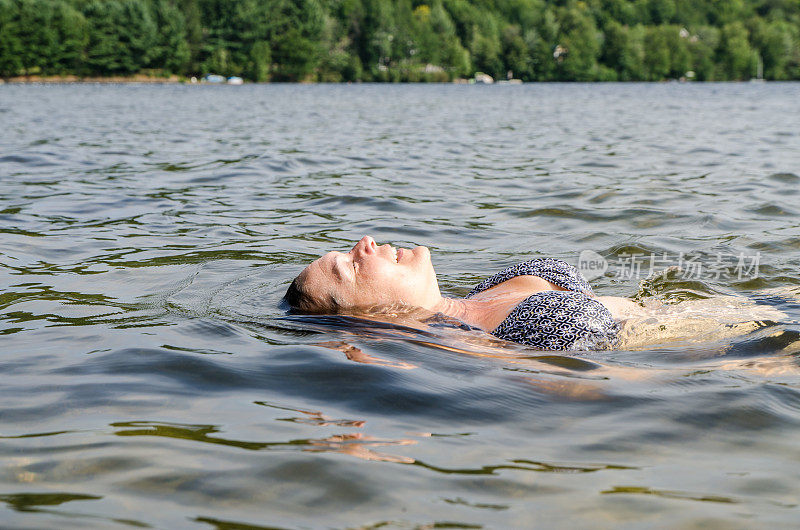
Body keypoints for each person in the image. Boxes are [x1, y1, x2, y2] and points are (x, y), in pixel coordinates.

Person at [283, 235, 646, 350]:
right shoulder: (488, 348)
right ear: (369, 314)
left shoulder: (481, 293)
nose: (364, 243)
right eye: (350, 265)